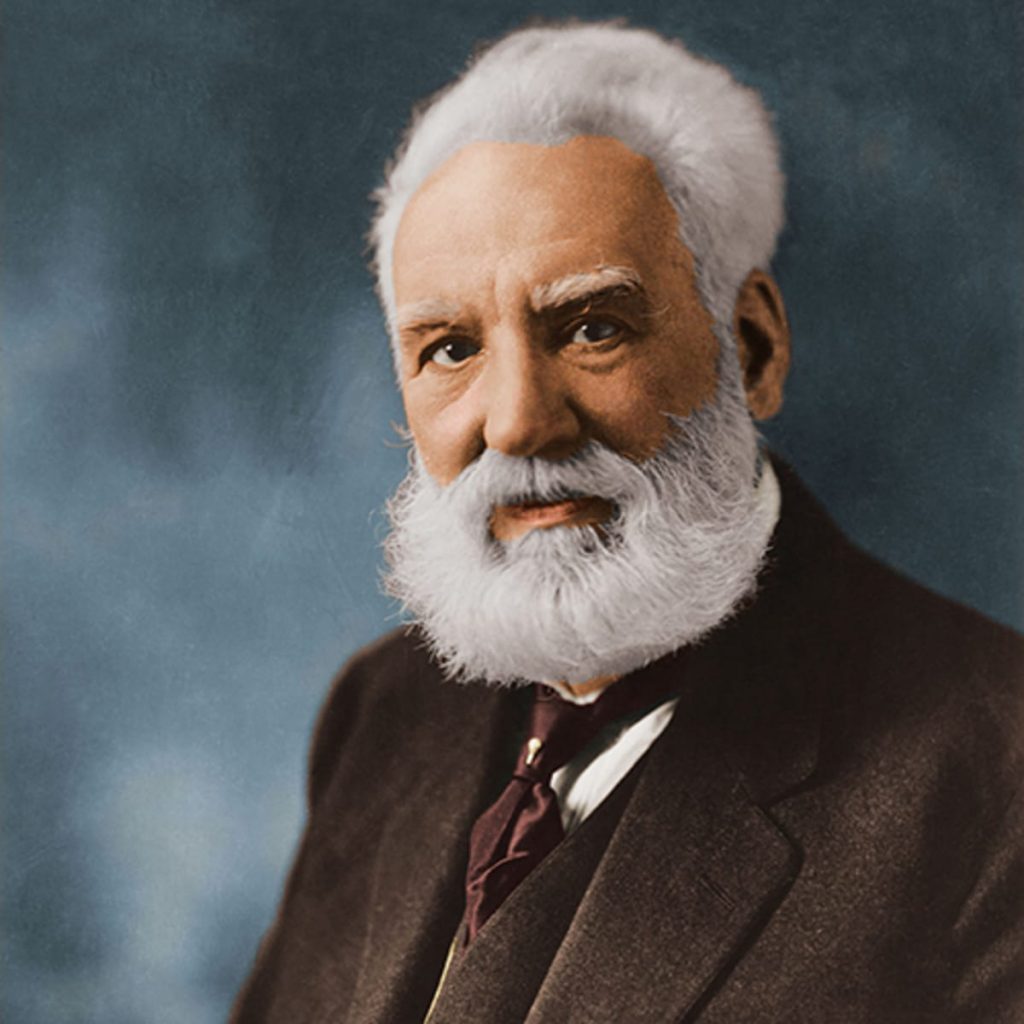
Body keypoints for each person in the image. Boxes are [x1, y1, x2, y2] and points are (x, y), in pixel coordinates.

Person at [232, 21, 1023, 1023]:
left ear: (753, 348)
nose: (518, 422)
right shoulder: (383, 713)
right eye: (451, 349)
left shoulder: (994, 768)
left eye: (591, 327)